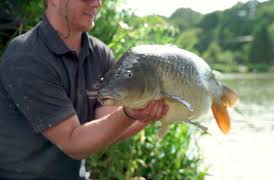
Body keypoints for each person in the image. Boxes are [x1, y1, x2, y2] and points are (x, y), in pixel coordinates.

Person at [0, 0, 168, 179]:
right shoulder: (27, 57)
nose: (96, 3)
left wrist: (150, 112)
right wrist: (130, 114)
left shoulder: (101, 54)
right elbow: (73, 142)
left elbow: (107, 127)